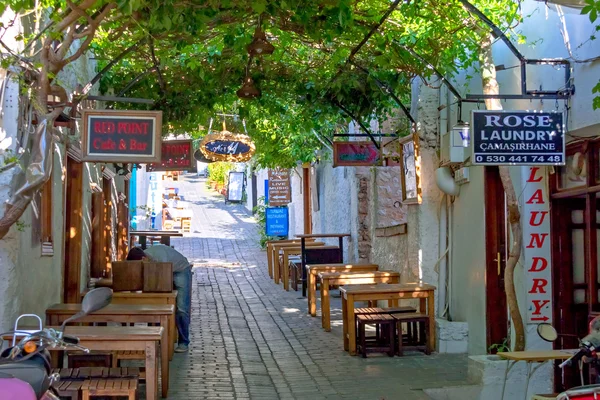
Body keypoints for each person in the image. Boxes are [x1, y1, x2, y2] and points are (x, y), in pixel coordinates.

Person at [127, 245, 192, 353]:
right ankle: (157, 338)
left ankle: (183, 342)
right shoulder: (145, 259)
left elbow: (162, 280)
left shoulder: (160, 259)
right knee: (157, 305)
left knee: (181, 308)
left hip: (180, 270)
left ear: (143, 259)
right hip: (165, 271)